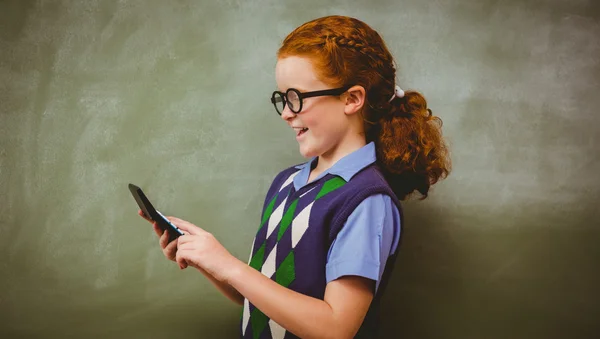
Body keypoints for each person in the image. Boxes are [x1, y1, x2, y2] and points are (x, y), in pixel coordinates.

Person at [139, 15, 450, 339]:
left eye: (297, 97)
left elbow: (336, 327)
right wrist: (208, 259)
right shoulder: (285, 184)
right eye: (282, 98)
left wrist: (230, 267)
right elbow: (258, 297)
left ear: (352, 99)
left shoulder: (366, 199)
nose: (287, 112)